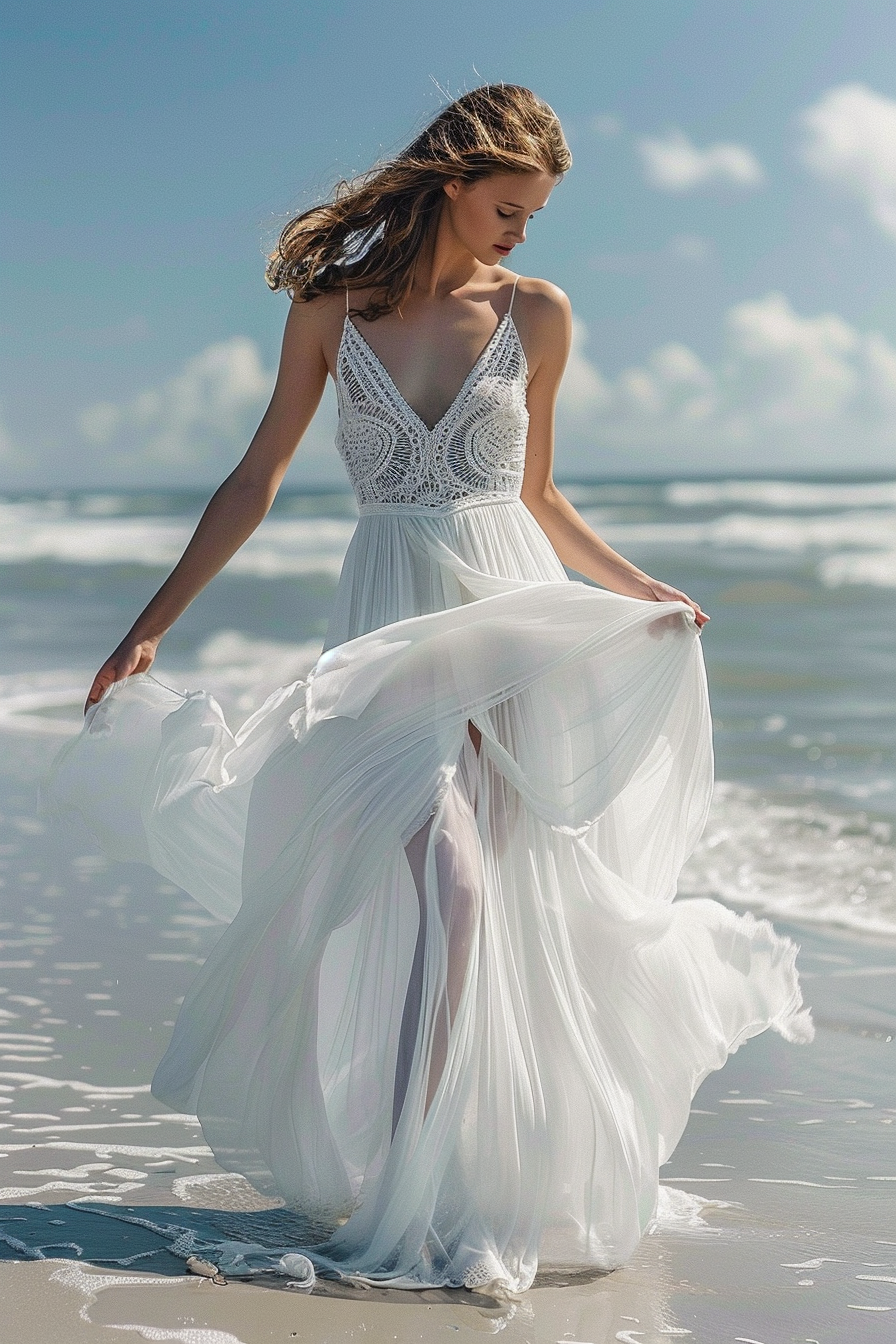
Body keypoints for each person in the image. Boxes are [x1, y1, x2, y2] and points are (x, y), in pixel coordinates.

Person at [51, 84, 812, 1293]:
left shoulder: (537, 314)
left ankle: (466, 1182)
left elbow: (541, 500)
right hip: (391, 617)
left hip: (510, 619)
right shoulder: (329, 308)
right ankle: (411, 1168)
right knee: (446, 881)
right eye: (509, 207)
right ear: (453, 182)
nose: (522, 232)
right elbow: (255, 477)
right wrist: (149, 625)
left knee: (501, 894)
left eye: (534, 215)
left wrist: (639, 591)